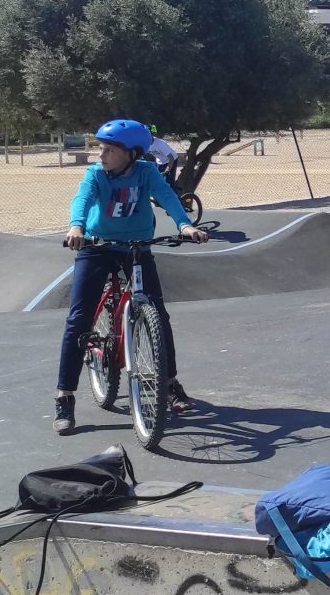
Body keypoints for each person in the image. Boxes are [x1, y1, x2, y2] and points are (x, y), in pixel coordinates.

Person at [55, 119, 209, 435]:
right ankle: (64, 396)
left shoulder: (147, 172)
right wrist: (76, 226)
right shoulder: (96, 174)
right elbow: (82, 198)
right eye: (101, 148)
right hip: (96, 245)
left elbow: (167, 197)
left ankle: (169, 384)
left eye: (109, 150)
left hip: (136, 246)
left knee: (158, 314)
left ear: (131, 153)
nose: (102, 155)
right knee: (79, 319)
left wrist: (184, 224)